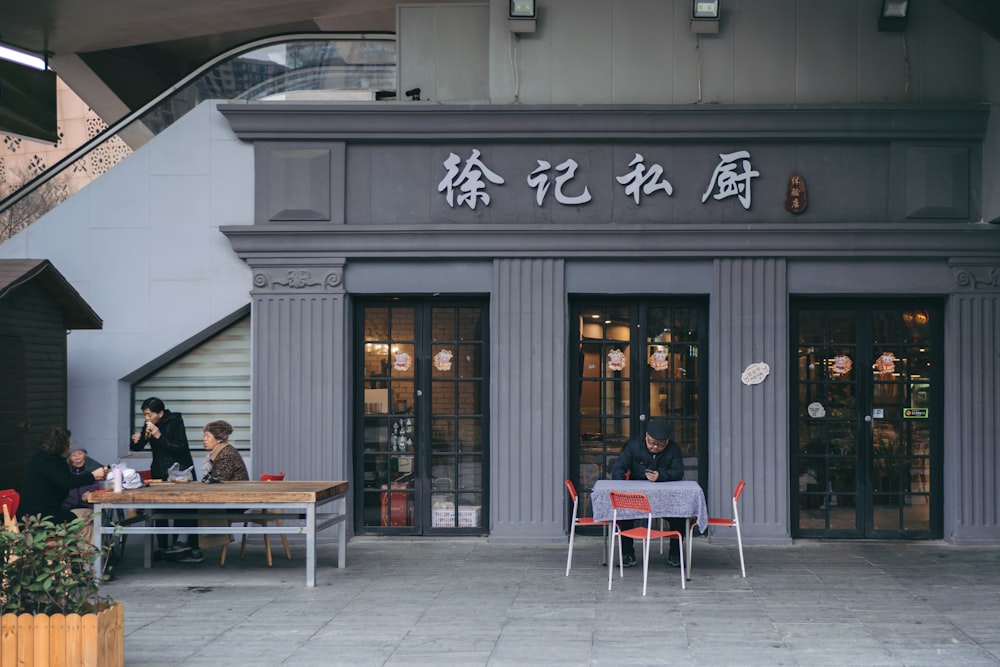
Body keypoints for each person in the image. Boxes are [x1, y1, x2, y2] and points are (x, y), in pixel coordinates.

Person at [129, 396, 200, 561]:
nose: (147, 418)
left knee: (183, 510)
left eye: (149, 414)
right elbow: (138, 447)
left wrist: (159, 436)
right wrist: (135, 441)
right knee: (160, 509)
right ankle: (162, 548)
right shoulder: (149, 424)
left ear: (160, 413)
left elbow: (180, 448)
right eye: (144, 415)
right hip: (159, 473)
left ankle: (185, 548)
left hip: (179, 474)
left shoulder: (175, 421)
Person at [609, 417, 686, 568]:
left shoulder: (674, 449)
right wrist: (623, 488)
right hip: (637, 496)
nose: (655, 447)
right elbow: (618, 468)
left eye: (660, 444)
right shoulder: (633, 446)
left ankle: (675, 554)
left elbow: (678, 472)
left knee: (679, 516)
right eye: (651, 442)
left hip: (664, 497)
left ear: (667, 441)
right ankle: (627, 554)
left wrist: (661, 476)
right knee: (624, 515)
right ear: (646, 436)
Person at [18, 426, 107, 541]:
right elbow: (67, 481)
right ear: (62, 445)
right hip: (44, 518)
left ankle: (81, 557)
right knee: (90, 518)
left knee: (86, 523)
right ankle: (90, 557)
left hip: (31, 515)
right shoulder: (53, 462)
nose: (70, 446)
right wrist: (93, 476)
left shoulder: (39, 458)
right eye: (68, 443)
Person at [197, 420, 250, 554]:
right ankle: (192, 546)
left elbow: (218, 483)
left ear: (218, 438)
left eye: (207, 436)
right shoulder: (220, 451)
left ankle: (192, 547)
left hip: (235, 502)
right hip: (230, 498)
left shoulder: (225, 454)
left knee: (191, 511)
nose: (204, 439)